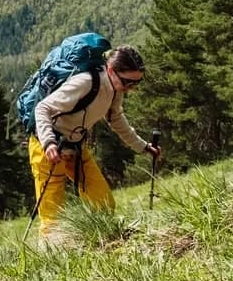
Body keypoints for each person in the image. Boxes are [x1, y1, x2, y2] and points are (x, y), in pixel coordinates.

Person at [30, 44, 162, 237]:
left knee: (104, 203)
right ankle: (49, 259)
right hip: (47, 149)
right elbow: (43, 108)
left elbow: (116, 119)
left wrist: (143, 147)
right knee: (52, 217)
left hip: (75, 147)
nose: (130, 89)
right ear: (110, 70)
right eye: (127, 82)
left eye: (136, 84)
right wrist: (48, 142)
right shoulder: (85, 82)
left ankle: (99, 243)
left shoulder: (116, 90)